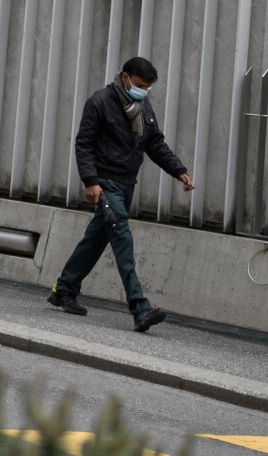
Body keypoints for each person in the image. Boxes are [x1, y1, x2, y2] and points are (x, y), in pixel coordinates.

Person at [46, 55, 194, 332]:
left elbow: (155, 143)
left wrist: (178, 171)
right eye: (139, 84)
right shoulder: (100, 102)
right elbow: (84, 143)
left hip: (127, 184)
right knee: (122, 238)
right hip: (105, 184)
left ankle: (64, 289)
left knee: (96, 239)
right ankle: (140, 308)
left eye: (147, 87)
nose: (143, 90)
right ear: (124, 77)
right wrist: (90, 181)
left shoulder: (142, 106)